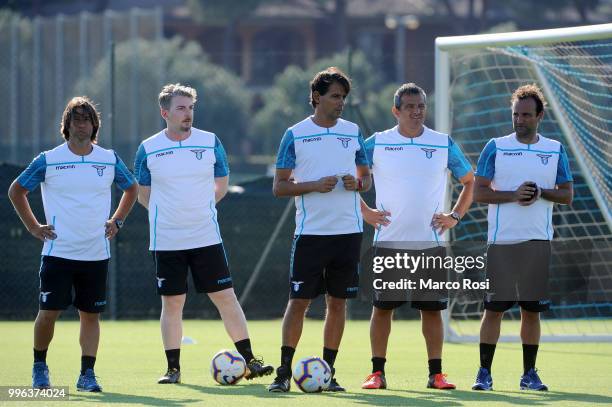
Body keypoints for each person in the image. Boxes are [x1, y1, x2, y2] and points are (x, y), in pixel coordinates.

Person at [134, 83, 273, 384]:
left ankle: (251, 361)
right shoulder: (148, 148)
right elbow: (143, 193)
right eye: (181, 108)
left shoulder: (210, 142)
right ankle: (173, 370)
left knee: (226, 297)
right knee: (172, 304)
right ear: (165, 112)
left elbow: (221, 184)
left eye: (191, 108)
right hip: (167, 239)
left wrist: (199, 208)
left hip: (205, 237)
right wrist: (167, 214)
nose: (188, 114)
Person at [8, 96, 138, 392]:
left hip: (95, 254)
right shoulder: (48, 159)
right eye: (76, 119)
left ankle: (87, 375)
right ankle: (39, 368)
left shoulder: (109, 159)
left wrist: (117, 220)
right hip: (58, 253)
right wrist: (33, 226)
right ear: (66, 125)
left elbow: (131, 188)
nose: (82, 124)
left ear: (95, 125)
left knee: (90, 316)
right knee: (48, 313)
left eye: (87, 119)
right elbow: (16, 191)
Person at [359, 83, 474, 390]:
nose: (416, 111)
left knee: (432, 311)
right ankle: (376, 373)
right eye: (409, 106)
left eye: (421, 106)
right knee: (382, 309)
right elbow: (350, 178)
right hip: (388, 243)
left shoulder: (442, 143)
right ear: (396, 111)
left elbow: (469, 181)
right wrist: (365, 211)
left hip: (431, 244)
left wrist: (454, 216)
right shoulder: (377, 143)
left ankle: (436, 374)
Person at [268, 67, 372, 393]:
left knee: (338, 303)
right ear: (316, 97)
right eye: (335, 96)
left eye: (344, 97)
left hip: (348, 233)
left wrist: (359, 183)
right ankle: (283, 373)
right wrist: (313, 185)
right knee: (299, 302)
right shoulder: (295, 134)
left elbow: (366, 179)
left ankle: (329, 372)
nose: (341, 102)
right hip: (311, 234)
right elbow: (279, 187)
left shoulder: (353, 131)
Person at [471, 84, 573, 391]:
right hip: (502, 243)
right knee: (494, 310)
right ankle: (484, 373)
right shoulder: (495, 146)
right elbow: (479, 192)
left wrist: (541, 192)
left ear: (539, 116)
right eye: (516, 114)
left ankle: (529, 374)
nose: (520, 120)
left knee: (531, 311)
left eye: (526, 115)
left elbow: (567, 195)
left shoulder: (554, 149)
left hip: (537, 243)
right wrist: (514, 195)